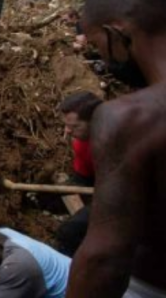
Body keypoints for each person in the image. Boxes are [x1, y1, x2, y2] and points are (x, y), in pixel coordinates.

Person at [67, 0, 166, 298]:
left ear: (118, 34)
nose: (103, 59)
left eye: (100, 46)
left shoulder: (129, 119)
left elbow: (105, 259)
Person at [54, 92, 102, 257]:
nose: (67, 131)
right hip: (101, 189)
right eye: (66, 125)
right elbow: (84, 180)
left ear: (95, 122)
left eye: (75, 126)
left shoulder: (115, 144)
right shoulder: (80, 143)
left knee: (69, 232)